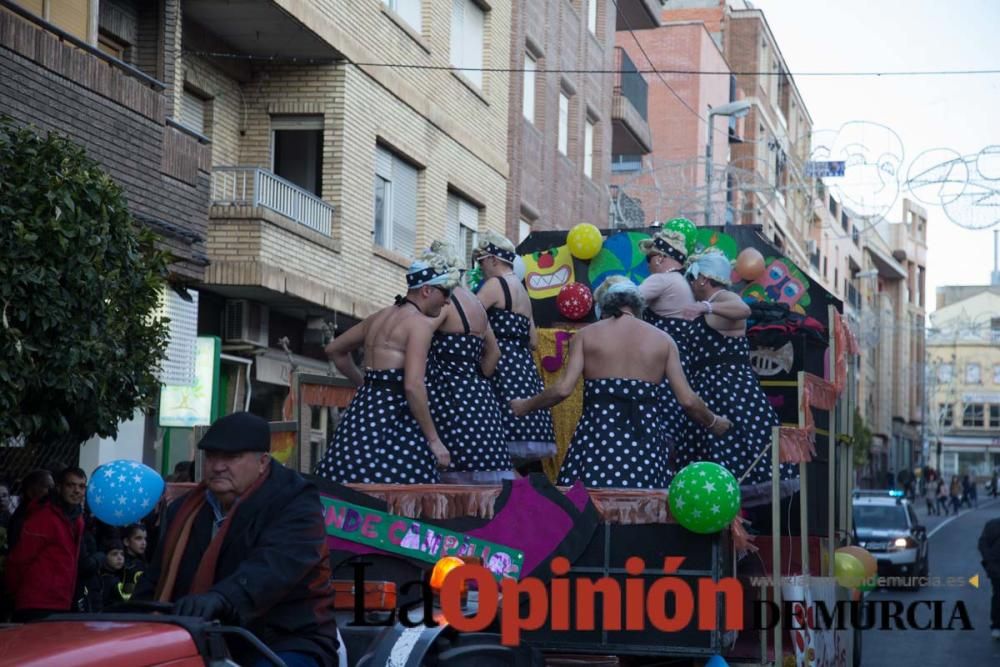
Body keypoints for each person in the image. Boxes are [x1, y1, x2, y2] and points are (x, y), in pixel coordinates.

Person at [135, 412, 344, 667]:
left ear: (263, 462)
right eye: (212, 456)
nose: (218, 466)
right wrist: (127, 617)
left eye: (232, 457)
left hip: (284, 639)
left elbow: (274, 566)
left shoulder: (296, 501)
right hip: (195, 638)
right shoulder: (183, 509)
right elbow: (155, 577)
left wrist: (222, 598)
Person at [511, 277, 731, 488]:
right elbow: (688, 401)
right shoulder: (664, 340)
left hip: (597, 440)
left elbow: (562, 389)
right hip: (645, 441)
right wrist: (714, 422)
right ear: (638, 307)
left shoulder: (585, 336)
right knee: (644, 508)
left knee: (587, 507)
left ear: (604, 307)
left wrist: (525, 405)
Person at [316, 250, 460, 484]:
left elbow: (334, 350)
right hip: (396, 419)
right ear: (427, 290)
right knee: (403, 493)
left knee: (347, 484)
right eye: (446, 292)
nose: (448, 301)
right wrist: (435, 441)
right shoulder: (419, 325)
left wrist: (363, 383)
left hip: (361, 416)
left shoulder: (379, 317)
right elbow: (413, 386)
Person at [679, 249, 795, 486]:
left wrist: (707, 308)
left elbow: (744, 310)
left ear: (702, 278)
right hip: (709, 390)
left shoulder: (722, 298)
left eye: (692, 278)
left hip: (729, 391)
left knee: (735, 455)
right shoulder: (710, 302)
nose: (690, 284)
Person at [425, 241, 513, 484]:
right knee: (479, 494)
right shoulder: (476, 303)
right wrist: (473, 379)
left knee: (445, 484)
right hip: (480, 401)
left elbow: (418, 339)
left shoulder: (444, 303)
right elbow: (493, 354)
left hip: (446, 401)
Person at [474, 232, 557, 473]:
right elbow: (532, 341)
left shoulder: (494, 285)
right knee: (525, 464)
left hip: (500, 369)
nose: (480, 268)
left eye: (481, 262)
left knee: (496, 446)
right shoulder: (523, 292)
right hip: (524, 372)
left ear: (493, 260)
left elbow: (466, 316)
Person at [638, 230, 698, 455]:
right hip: (682, 361)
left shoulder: (662, 279)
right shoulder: (681, 282)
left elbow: (626, 300)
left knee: (660, 421)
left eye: (649, 259)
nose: (648, 266)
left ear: (660, 257)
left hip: (662, 363)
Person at [5, 467, 87, 621]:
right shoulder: (42, 517)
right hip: (36, 603)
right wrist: (13, 594)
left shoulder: (77, 519)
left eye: (81, 486)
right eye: (71, 485)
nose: (77, 490)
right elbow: (20, 559)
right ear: (59, 487)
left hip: (63, 602)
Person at [5, 469, 54, 551]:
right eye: (47, 487)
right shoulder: (22, 519)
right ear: (30, 491)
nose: (52, 491)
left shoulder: (46, 512)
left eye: (53, 487)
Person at [977, 516, 1000, 640]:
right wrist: (991, 561)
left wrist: (989, 561)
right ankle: (997, 625)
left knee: (997, 595)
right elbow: (982, 544)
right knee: (998, 595)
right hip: (996, 569)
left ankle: (996, 626)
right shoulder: (993, 525)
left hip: (994, 568)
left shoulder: (991, 524)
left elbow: (982, 544)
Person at [120, 523, 147, 600]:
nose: (143, 543)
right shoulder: (124, 565)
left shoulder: (141, 562)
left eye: (145, 538)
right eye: (138, 538)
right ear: (126, 541)